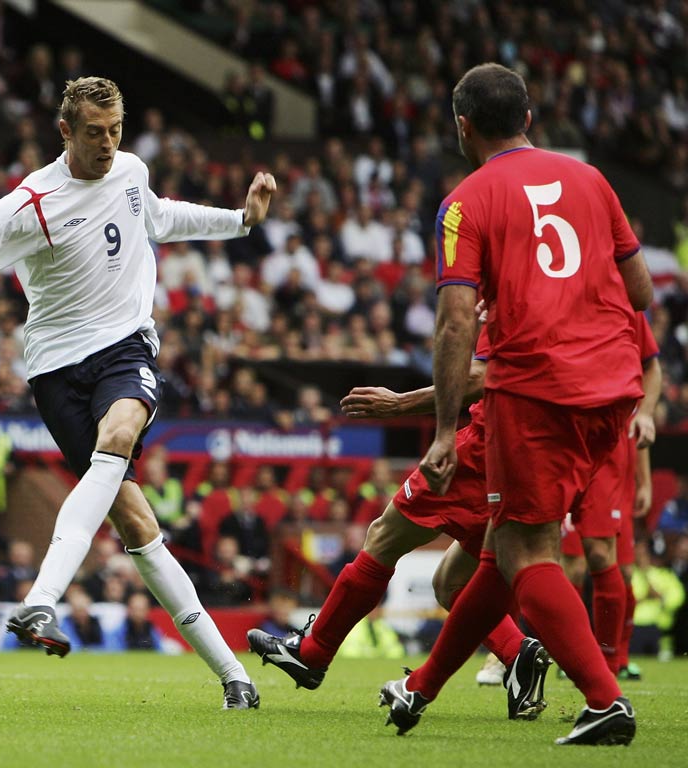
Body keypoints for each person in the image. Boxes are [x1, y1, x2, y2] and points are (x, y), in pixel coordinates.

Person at [0, 76, 274, 709]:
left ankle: (39, 602)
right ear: (65, 133)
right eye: (95, 133)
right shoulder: (31, 205)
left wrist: (240, 221)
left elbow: (159, 217)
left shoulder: (130, 171)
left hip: (126, 347)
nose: (107, 145)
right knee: (136, 522)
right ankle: (234, 676)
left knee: (120, 432)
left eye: (115, 132)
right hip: (55, 371)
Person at [377, 63, 651, 746]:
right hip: (614, 391)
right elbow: (641, 290)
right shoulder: (591, 179)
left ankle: (605, 698)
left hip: (537, 391)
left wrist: (442, 429)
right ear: (529, 118)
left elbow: (456, 322)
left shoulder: (465, 202)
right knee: (502, 553)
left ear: (462, 126)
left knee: (529, 552)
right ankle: (420, 687)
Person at [248, 325, 547, 722]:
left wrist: (400, 404)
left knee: (383, 537)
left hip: (484, 450)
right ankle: (520, 655)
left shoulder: (514, 295)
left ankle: (313, 654)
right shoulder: (574, 300)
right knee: (453, 584)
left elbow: (480, 377)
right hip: (532, 457)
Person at [559, 312, 662, 680]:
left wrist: (645, 482)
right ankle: (564, 652)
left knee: (610, 559)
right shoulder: (560, 295)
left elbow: (648, 384)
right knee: (559, 562)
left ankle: (612, 659)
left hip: (609, 450)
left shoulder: (627, 309)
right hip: (563, 438)